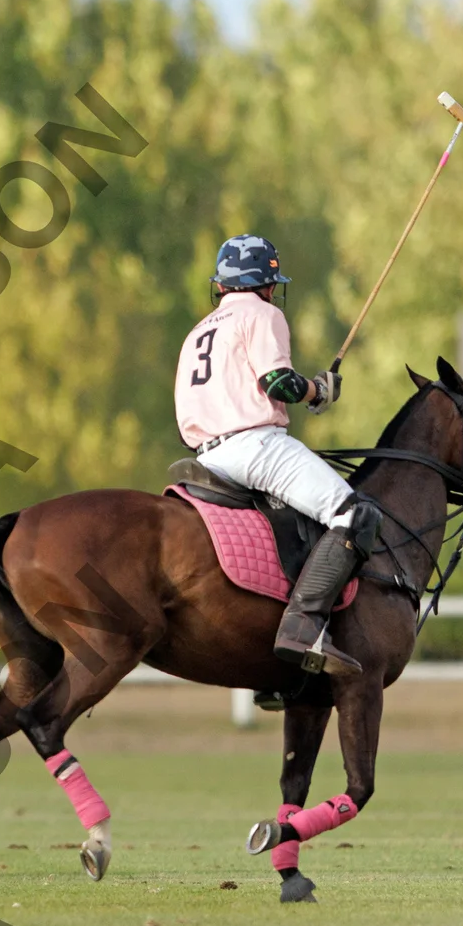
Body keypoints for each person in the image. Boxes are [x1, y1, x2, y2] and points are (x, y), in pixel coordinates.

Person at [173, 236, 380, 676]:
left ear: (222, 284)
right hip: (253, 446)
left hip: (205, 459)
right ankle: (303, 627)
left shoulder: (197, 332)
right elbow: (277, 383)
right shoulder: (263, 314)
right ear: (267, 285)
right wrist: (317, 390)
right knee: (355, 515)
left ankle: (276, 672)